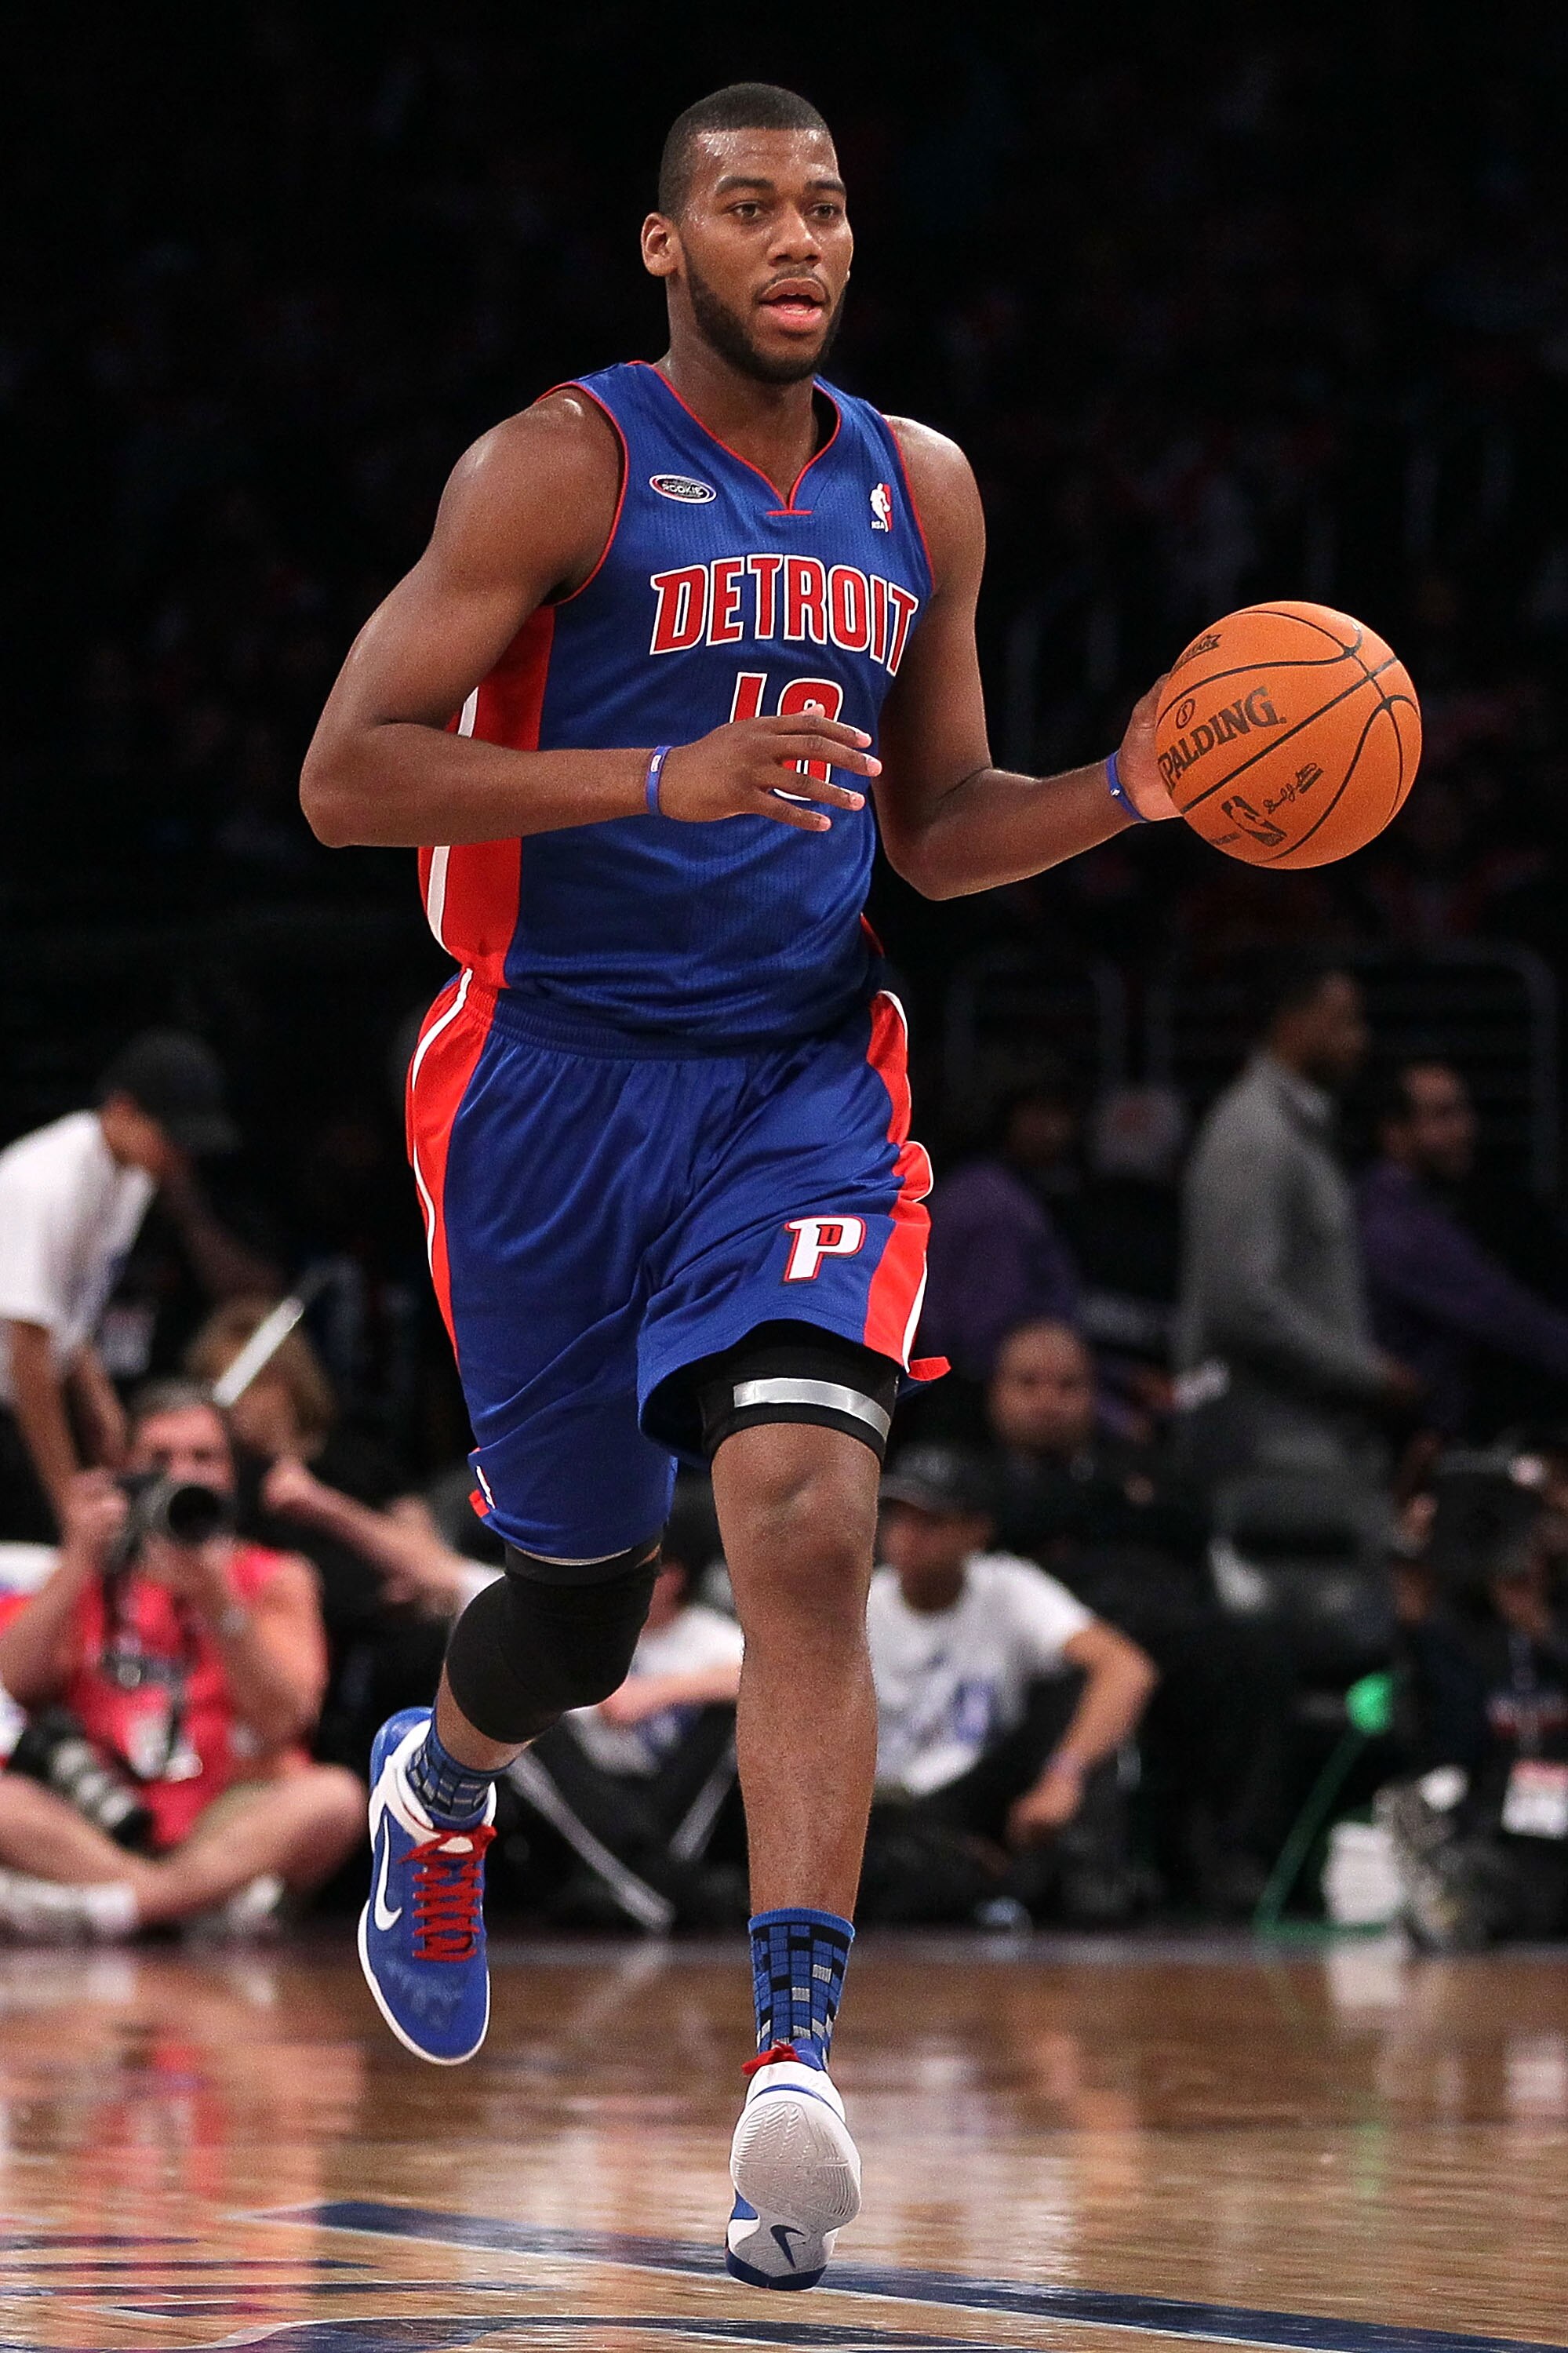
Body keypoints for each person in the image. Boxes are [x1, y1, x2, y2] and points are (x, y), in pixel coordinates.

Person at [299, 81, 1179, 2290]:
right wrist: (654, 775)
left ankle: (792, 2063)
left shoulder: (921, 490)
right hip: (537, 1088)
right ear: (662, 247)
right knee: (584, 1603)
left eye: (826, 207)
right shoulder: (555, 464)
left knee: (802, 1515)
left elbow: (943, 828)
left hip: (795, 1083)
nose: (797, 236)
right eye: (746, 207)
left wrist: (1134, 787)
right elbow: (344, 777)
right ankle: (449, 1767)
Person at [0, 1380, 362, 1939]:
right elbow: (15, 1686)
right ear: (127, 1473)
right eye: (160, 1458)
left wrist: (217, 1599)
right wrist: (76, 1563)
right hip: (101, 1816)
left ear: (229, 1475)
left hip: (229, 1816)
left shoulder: (275, 1577)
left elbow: (282, 1723)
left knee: (333, 1799)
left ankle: (123, 1908)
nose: (181, 1474)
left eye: (203, 1458)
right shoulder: (88, 1573)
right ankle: (189, 1907)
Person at [986, 1319, 1290, 1911]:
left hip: (1162, 1626)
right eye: (1028, 1384)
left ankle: (1236, 1860)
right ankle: (1072, 1869)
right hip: (1051, 1641)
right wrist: (1109, 1507)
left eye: (1067, 1386)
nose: (1047, 1402)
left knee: (1252, 1658)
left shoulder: (1143, 1464)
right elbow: (1014, 1526)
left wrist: (1074, 1521)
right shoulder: (975, 1478)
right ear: (995, 1392)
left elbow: (1188, 1519)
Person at [860, 1446, 1156, 1927]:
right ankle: (995, 1884)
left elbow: (1127, 1668)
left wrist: (1064, 1775)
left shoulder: (1007, 1587)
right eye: (898, 1518)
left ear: (976, 1533)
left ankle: (1084, 1879)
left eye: (932, 1522)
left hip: (986, 1790)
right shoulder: (862, 1605)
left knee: (1078, 1692)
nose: (908, 1537)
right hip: (890, 1805)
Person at [1175, 951, 1418, 1486]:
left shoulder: (1293, 1130)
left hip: (1308, 1441)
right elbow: (1240, 1304)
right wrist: (1370, 1375)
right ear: (1292, 1021)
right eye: (1343, 1022)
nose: (1359, 1040)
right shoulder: (1254, 1134)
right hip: (1267, 1448)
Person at [0, 1032, 238, 1543]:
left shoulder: (130, 1178)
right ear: (124, 1110)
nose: (180, 1154)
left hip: (31, 1392)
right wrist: (66, 1501)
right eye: (170, 1136)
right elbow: (26, 1349)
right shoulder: (44, 1181)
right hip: (17, 1394)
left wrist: (97, 1399)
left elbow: (68, 1305)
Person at [524, 1484, 745, 1924]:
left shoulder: (713, 1636)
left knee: (734, 1715)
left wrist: (654, 1693)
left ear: (676, 1576)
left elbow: (767, 1675)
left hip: (668, 1795)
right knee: (526, 1727)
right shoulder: (581, 1627)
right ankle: (661, 1889)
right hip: (589, 1794)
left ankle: (632, 1886)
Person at [1357, 1063, 1568, 1438]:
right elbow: (1504, 1314)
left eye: (1464, 1112)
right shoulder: (1398, 1225)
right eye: (1443, 1115)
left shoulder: (1413, 1209)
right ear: (1394, 1133)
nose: (1465, 1129)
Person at [919, 1077, 1084, 1388]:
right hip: (981, 1400)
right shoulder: (992, 1204)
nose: (1055, 1130)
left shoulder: (999, 1189)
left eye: (1061, 1114)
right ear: (1006, 1117)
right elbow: (986, 1344)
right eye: (1039, 1114)